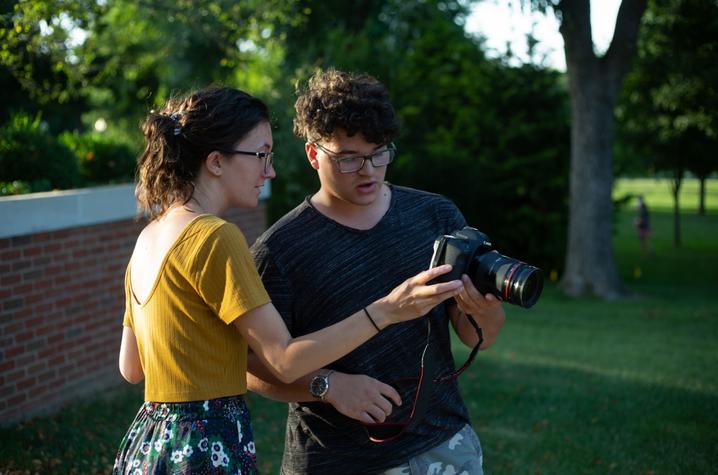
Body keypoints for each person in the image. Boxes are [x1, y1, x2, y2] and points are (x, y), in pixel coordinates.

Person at [112, 85, 465, 474]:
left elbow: (131, 367)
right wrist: (388, 310)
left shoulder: (150, 236)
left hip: (150, 442)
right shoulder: (215, 236)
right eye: (261, 154)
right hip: (206, 444)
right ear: (215, 161)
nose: (270, 170)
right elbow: (282, 360)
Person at [248, 69, 506, 474]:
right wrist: (328, 386)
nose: (367, 170)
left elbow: (478, 337)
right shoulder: (278, 250)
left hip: (444, 445)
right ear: (314, 154)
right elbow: (251, 365)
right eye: (348, 157)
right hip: (336, 460)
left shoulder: (435, 215)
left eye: (379, 152)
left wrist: (486, 309)